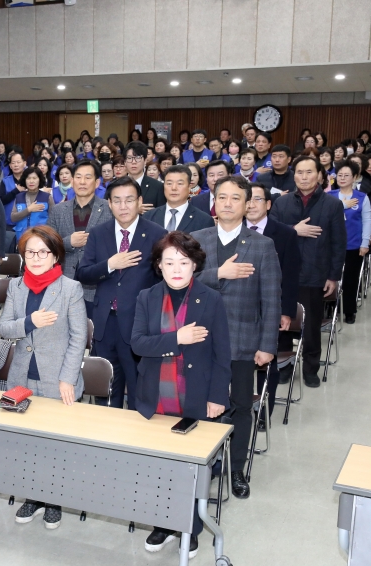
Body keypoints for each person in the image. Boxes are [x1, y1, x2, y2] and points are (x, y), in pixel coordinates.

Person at [132, 231, 231, 560]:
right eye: (169, 262)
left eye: (184, 262)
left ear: (195, 265)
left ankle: (191, 525)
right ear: (159, 266)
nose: (176, 268)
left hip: (195, 395)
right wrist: (178, 337)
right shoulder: (146, 297)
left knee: (190, 468)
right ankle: (162, 524)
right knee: (158, 464)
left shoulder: (211, 298)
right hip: (155, 396)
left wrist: (217, 396)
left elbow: (221, 354)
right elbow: (139, 344)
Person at [191, 175, 281, 499]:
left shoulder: (262, 245)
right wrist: (218, 274)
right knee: (200, 405)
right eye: (222, 197)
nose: (228, 204)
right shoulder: (195, 240)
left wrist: (268, 345)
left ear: (247, 205)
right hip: (200, 340)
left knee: (241, 407)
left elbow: (271, 298)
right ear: (214, 202)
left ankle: (237, 469)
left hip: (243, 340)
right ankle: (203, 464)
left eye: (236, 198)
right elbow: (178, 281)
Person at [0, 225, 87, 530]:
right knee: (26, 443)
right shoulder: (16, 287)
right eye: (29, 252)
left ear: (55, 255)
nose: (35, 258)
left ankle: (54, 501)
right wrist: (29, 321)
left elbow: (79, 339)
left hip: (57, 378)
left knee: (54, 445)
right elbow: (4, 328)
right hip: (22, 375)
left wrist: (68, 379)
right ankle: (33, 497)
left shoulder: (70, 289)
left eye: (42, 252)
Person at [75, 177, 167, 409]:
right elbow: (83, 273)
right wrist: (110, 264)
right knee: (106, 394)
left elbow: (163, 281)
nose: (123, 206)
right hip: (105, 325)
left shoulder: (157, 234)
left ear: (140, 202)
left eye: (129, 200)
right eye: (117, 200)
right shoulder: (98, 233)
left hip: (139, 325)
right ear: (109, 204)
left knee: (138, 391)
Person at [270, 156, 346, 388]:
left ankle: (311, 368)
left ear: (319, 176)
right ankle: (284, 366)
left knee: (311, 324)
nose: (303, 177)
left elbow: (338, 243)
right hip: (282, 274)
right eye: (299, 172)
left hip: (315, 273)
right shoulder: (281, 203)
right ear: (294, 176)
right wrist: (294, 230)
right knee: (281, 323)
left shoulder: (332, 204)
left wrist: (333, 276)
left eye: (309, 172)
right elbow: (270, 233)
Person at [245, 182, 300, 422]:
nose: (251, 204)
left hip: (271, 308)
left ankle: (264, 412)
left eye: (257, 199)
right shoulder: (232, 231)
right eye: (247, 199)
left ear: (268, 204)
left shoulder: (285, 233)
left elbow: (290, 276)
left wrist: (286, 312)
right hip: (240, 309)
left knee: (268, 362)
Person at [47, 160, 113, 319]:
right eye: (78, 177)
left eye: (88, 177)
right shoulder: (58, 210)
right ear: (72, 181)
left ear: (97, 182)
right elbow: (47, 245)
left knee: (95, 335)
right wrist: (68, 242)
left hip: (98, 285)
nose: (82, 182)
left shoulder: (109, 209)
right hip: (64, 283)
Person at [327, 160, 370, 324]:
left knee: (350, 280)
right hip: (331, 245)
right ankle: (331, 309)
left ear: (355, 177)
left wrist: (365, 243)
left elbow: (367, 220)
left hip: (353, 245)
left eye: (347, 175)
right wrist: (342, 205)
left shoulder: (362, 197)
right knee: (331, 278)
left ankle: (349, 310)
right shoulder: (330, 196)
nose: (342, 178)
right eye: (340, 175)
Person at [144, 165, 214, 233]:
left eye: (180, 183)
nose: (174, 188)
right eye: (169, 183)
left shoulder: (204, 220)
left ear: (189, 187)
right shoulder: (148, 217)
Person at [11, 166, 52, 244]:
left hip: (42, 238)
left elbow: (54, 219)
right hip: (22, 238)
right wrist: (29, 210)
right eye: (28, 178)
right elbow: (13, 218)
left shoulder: (47, 197)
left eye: (34, 178)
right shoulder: (19, 197)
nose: (31, 181)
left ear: (39, 180)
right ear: (25, 180)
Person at [124, 141, 166, 212]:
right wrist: (134, 210)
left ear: (145, 161)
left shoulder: (158, 186)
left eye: (138, 157)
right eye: (130, 158)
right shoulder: (115, 185)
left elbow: (161, 214)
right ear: (125, 162)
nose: (133, 162)